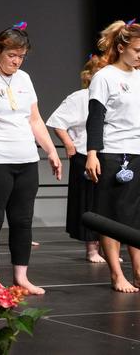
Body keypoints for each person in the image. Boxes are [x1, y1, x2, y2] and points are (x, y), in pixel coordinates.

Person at [0, 24, 62, 295]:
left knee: (23, 221)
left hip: (27, 159)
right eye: (11, 55)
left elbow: (35, 120)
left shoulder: (24, 79)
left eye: (21, 56)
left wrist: (51, 150)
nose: (16, 61)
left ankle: (21, 276)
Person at [85, 20, 140, 293]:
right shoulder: (105, 77)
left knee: (135, 215)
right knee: (111, 216)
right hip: (112, 153)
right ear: (121, 47)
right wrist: (92, 153)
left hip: (138, 152)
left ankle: (139, 270)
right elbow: (95, 118)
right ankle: (117, 274)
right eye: (137, 50)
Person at [47, 55, 106, 262]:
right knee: (88, 202)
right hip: (84, 154)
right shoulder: (80, 97)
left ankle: (109, 249)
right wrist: (69, 145)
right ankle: (92, 249)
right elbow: (58, 122)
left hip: (109, 154)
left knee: (106, 204)